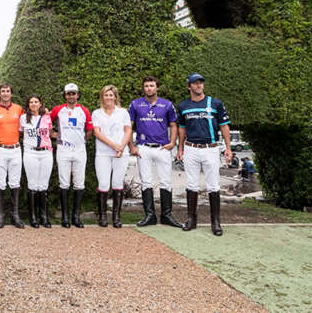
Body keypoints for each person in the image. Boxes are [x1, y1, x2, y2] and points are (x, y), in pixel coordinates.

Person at [176, 73, 232, 236]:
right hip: (191, 148)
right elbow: (181, 128)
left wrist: (228, 148)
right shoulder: (183, 106)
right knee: (192, 185)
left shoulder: (215, 103)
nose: (199, 85)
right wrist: (180, 149)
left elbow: (224, 126)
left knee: (213, 185)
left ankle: (215, 222)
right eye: (195, 83)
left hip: (211, 148)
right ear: (189, 87)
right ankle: (191, 220)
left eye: (201, 82)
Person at [127, 76, 183, 228]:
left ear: (157, 87)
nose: (149, 88)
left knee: (166, 181)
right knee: (146, 181)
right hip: (143, 147)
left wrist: (172, 143)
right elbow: (128, 126)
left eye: (152, 86)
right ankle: (150, 216)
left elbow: (173, 125)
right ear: (143, 88)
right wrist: (132, 146)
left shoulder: (167, 105)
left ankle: (167, 215)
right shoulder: (135, 104)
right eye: (146, 86)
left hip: (162, 147)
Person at [49, 83, 93, 228]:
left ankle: (76, 216)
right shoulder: (58, 110)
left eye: (73, 93)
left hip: (80, 150)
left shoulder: (84, 111)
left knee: (79, 183)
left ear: (78, 95)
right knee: (64, 183)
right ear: (65, 95)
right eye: (68, 93)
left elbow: (89, 130)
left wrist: (81, 141)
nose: (71, 96)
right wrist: (53, 134)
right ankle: (65, 217)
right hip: (63, 149)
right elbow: (46, 121)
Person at [0, 83, 24, 228]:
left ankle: (15, 215)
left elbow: (28, 122)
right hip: (0, 149)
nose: (6, 93)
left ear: (11, 94)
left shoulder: (18, 109)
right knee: (0, 182)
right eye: (3, 91)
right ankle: (0, 215)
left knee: (15, 182)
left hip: (15, 148)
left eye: (8, 91)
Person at [91, 85, 131, 228]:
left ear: (115, 97)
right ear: (102, 97)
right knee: (103, 184)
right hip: (103, 153)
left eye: (111, 95)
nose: (108, 98)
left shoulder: (123, 112)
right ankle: (102, 216)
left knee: (117, 183)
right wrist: (114, 145)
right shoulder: (97, 113)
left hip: (121, 153)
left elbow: (128, 131)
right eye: (106, 95)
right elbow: (97, 132)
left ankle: (116, 216)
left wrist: (121, 146)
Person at [20, 94, 53, 228]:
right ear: (28, 105)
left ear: (40, 104)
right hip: (30, 152)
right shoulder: (23, 118)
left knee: (44, 184)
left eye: (36, 102)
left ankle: (44, 216)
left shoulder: (46, 117)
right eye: (31, 102)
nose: (34, 104)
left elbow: (50, 133)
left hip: (46, 152)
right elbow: (21, 132)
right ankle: (33, 217)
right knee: (32, 184)